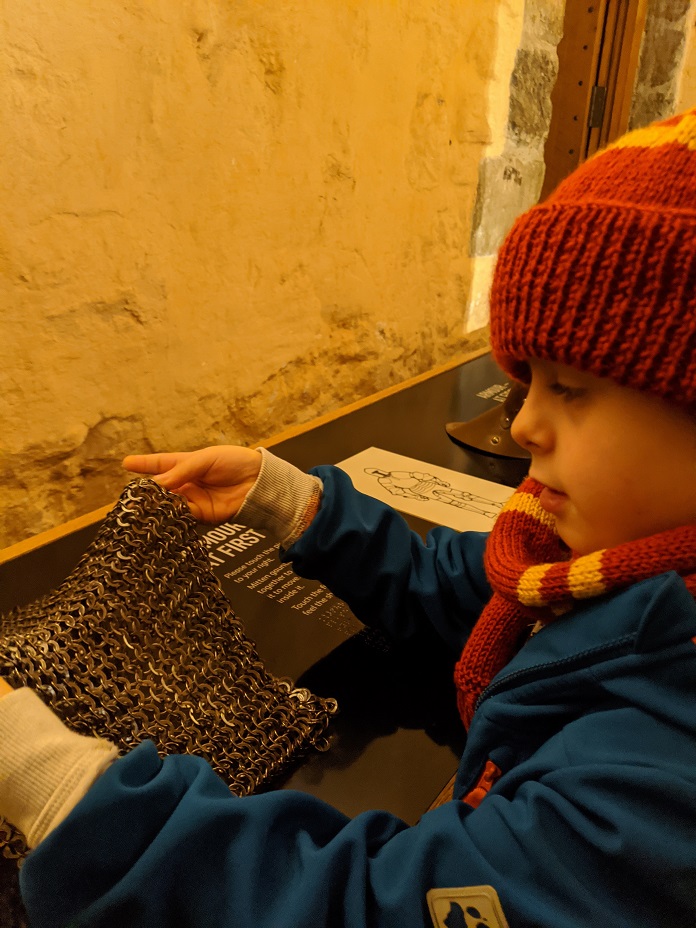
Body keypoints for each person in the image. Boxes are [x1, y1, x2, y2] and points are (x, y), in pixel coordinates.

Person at [1, 106, 696, 928]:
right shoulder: (604, 571)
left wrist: (54, 782)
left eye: (570, 389)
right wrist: (292, 501)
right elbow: (470, 592)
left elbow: (364, 907)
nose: (524, 427)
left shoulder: (661, 776)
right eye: (528, 382)